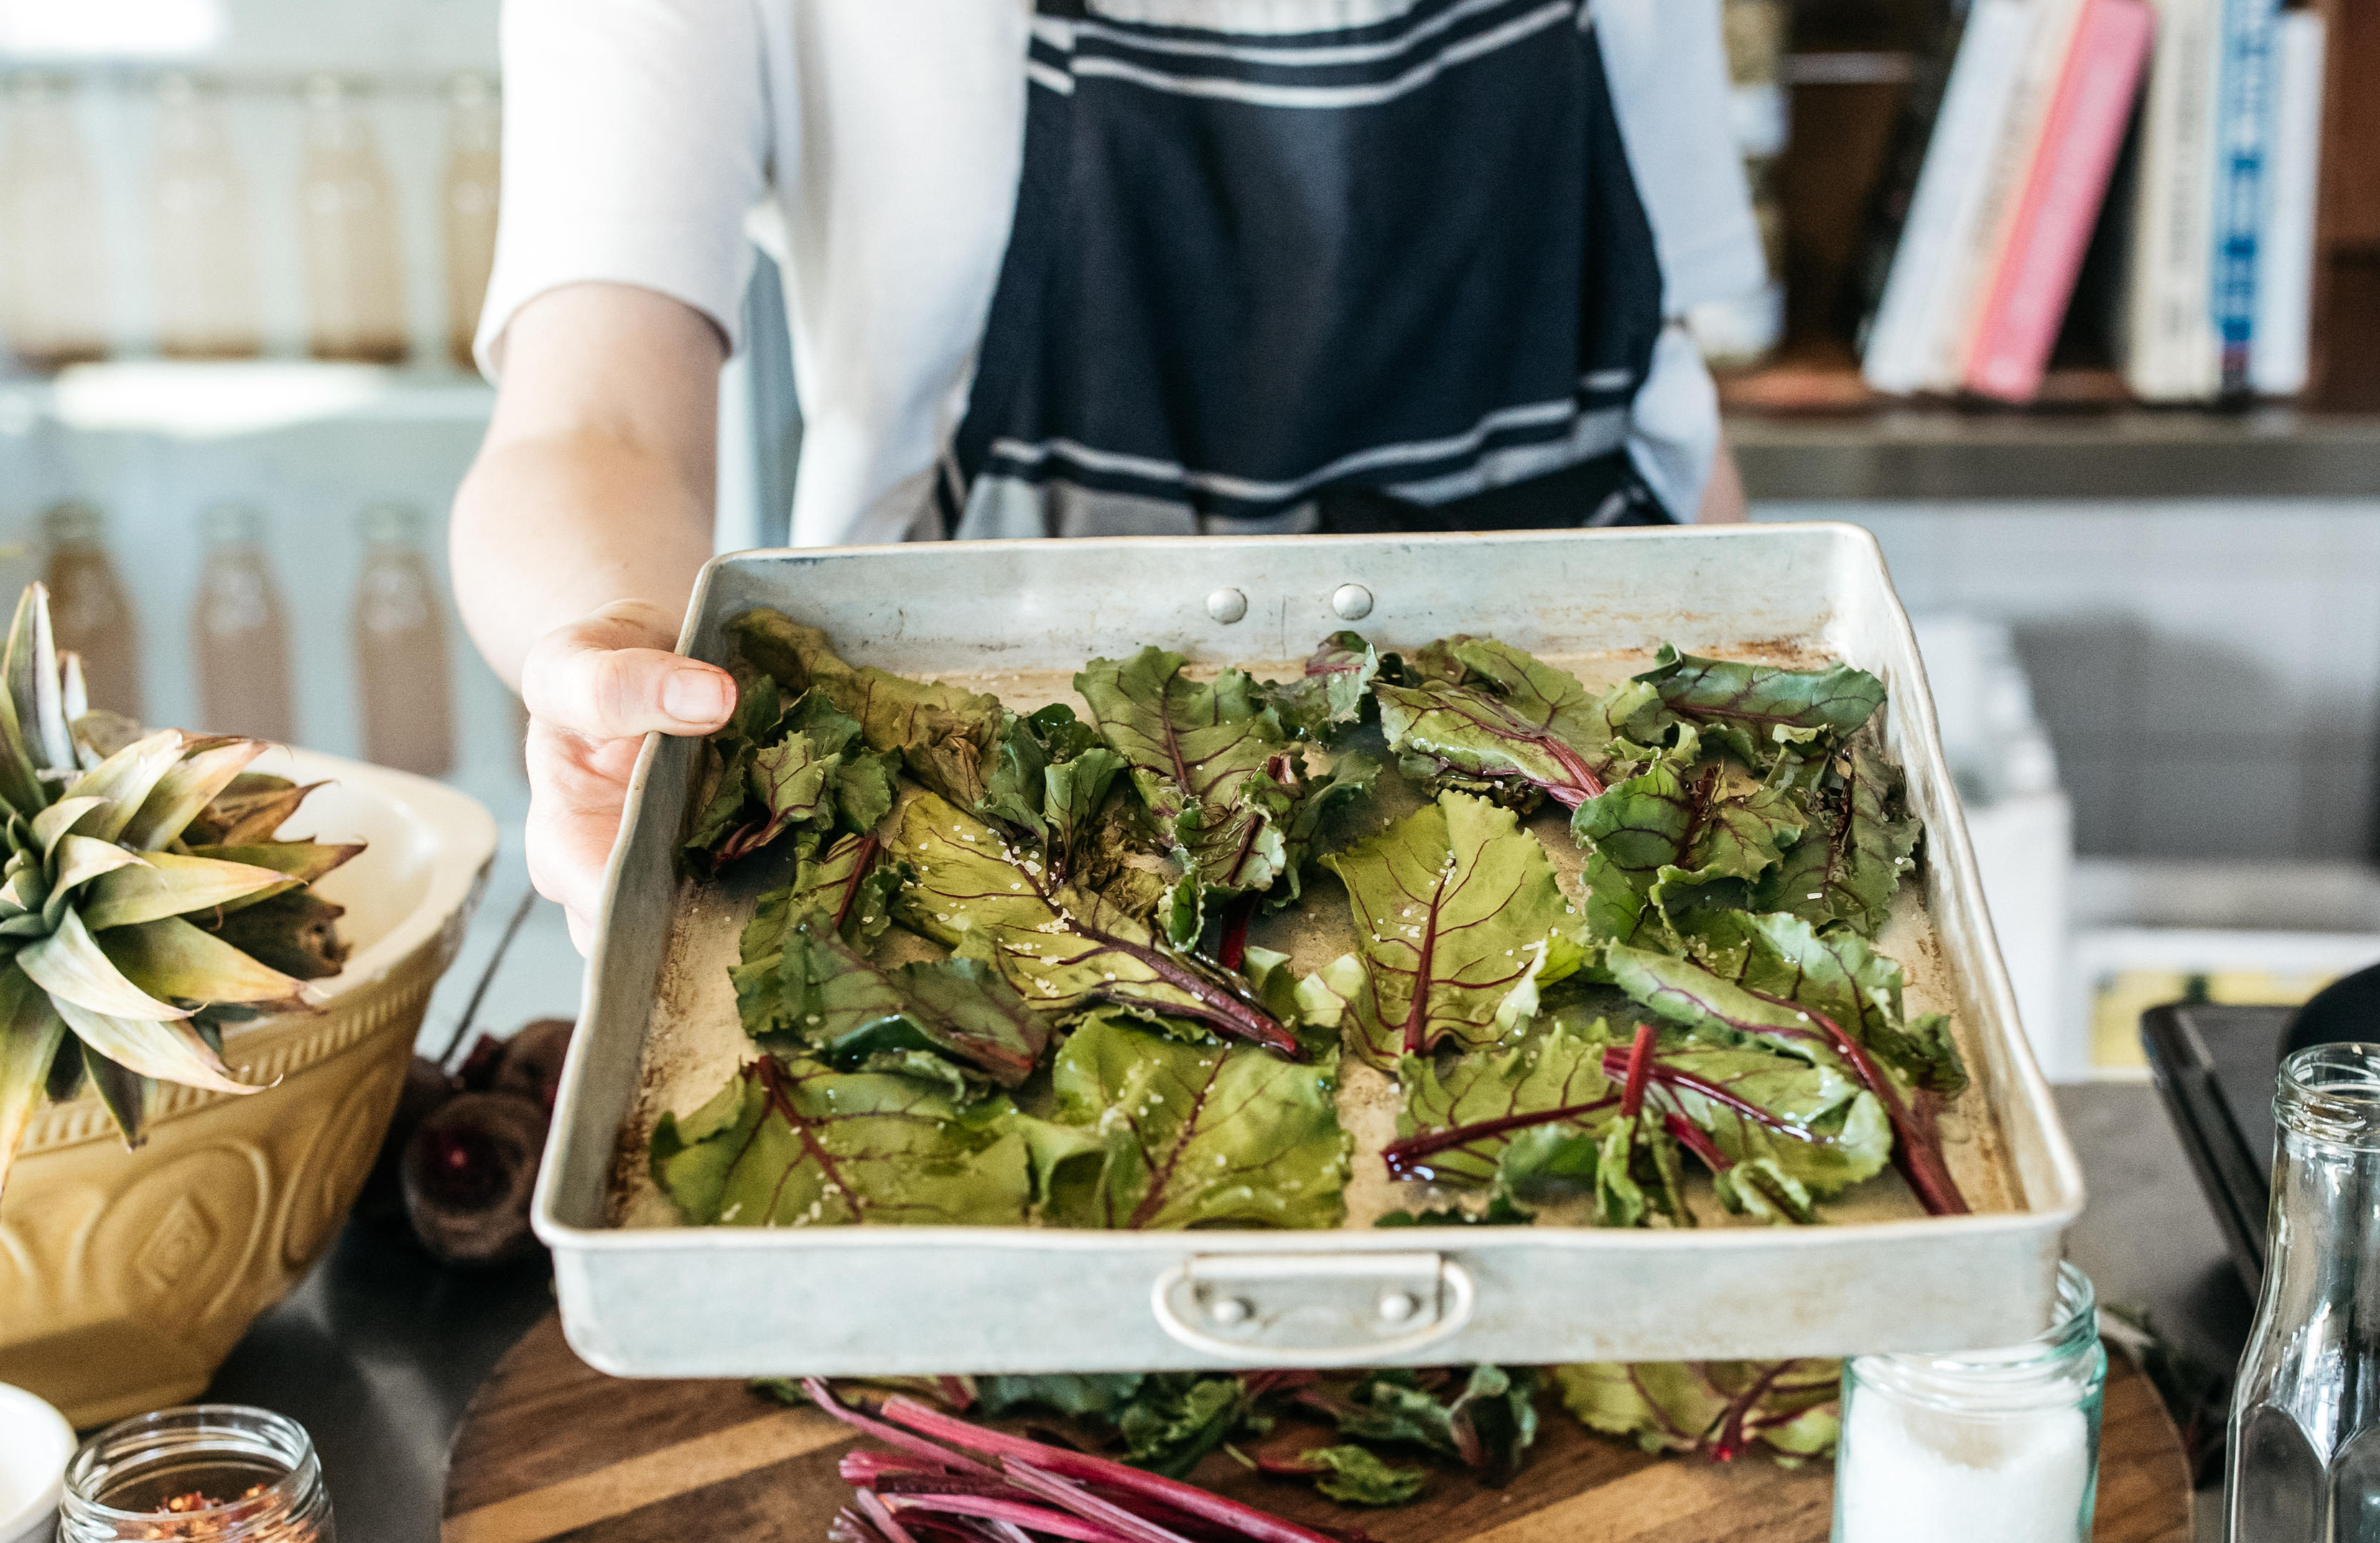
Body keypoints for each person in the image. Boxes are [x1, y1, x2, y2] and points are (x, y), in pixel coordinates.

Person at [450, 0, 1765, 942]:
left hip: (1577, 826)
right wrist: (611, 643)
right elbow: (594, 416)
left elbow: (1662, 409)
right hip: (990, 848)